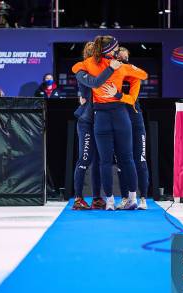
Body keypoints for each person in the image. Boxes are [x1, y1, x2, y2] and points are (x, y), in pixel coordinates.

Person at [72, 35, 148, 210]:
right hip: (96, 118)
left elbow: (140, 76)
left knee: (104, 161)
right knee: (93, 159)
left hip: (103, 116)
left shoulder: (114, 66)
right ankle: (82, 197)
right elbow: (94, 83)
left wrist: (123, 95)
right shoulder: (91, 68)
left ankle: (107, 200)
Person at [71, 42, 122, 210]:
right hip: (87, 121)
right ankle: (78, 199)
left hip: (100, 120)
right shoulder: (82, 71)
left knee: (99, 160)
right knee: (85, 159)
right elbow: (93, 85)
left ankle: (97, 198)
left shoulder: (104, 71)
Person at [107, 46, 150, 210]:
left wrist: (117, 95)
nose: (122, 59)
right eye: (120, 56)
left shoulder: (133, 75)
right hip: (118, 122)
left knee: (140, 160)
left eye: (125, 57)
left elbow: (132, 99)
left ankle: (143, 199)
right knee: (122, 162)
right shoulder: (110, 75)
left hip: (135, 121)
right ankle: (125, 197)